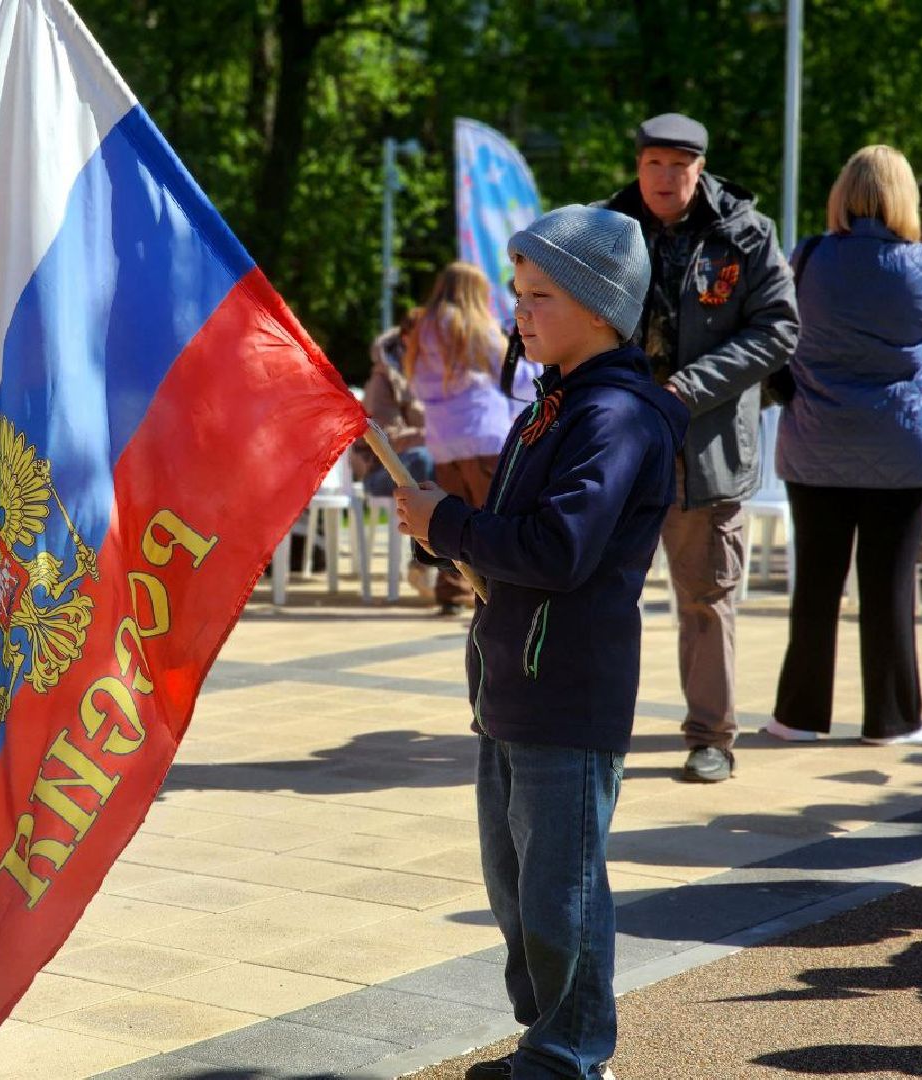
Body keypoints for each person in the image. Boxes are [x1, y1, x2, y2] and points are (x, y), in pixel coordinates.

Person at [397, 205, 688, 1080]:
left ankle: (569, 1053)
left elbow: (560, 549)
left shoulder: (616, 417)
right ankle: (546, 1038)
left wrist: (450, 524)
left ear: (600, 308)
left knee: (560, 892)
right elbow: (514, 534)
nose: (519, 313)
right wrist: (448, 529)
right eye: (519, 293)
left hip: (568, 690)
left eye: (540, 296)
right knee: (515, 885)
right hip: (512, 685)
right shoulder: (550, 404)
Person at [601, 113, 798, 782]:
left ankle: (711, 736)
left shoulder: (745, 234)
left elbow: (778, 330)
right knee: (598, 593)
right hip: (616, 446)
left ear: (700, 168)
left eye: (678, 166)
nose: (664, 177)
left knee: (706, 599)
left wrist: (689, 387)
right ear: (638, 164)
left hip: (704, 449)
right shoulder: (604, 229)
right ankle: (596, 730)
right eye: (653, 162)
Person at [764, 145, 922, 746]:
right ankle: (893, 719)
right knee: (889, 590)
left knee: (816, 587)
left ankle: (799, 716)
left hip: (815, 444)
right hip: (904, 450)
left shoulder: (806, 257)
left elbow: (776, 335)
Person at [404, 262, 513, 614]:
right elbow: (511, 374)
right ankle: (498, 589)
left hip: (442, 436)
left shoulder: (422, 328)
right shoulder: (476, 325)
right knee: (491, 515)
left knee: (449, 515)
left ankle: (452, 591)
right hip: (484, 432)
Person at [352, 310, 437, 598]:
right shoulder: (383, 380)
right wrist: (445, 437)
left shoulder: (440, 376)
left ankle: (463, 568)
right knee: (428, 459)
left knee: (470, 464)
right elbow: (386, 439)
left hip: (423, 466)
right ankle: (425, 562)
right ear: (406, 338)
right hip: (381, 472)